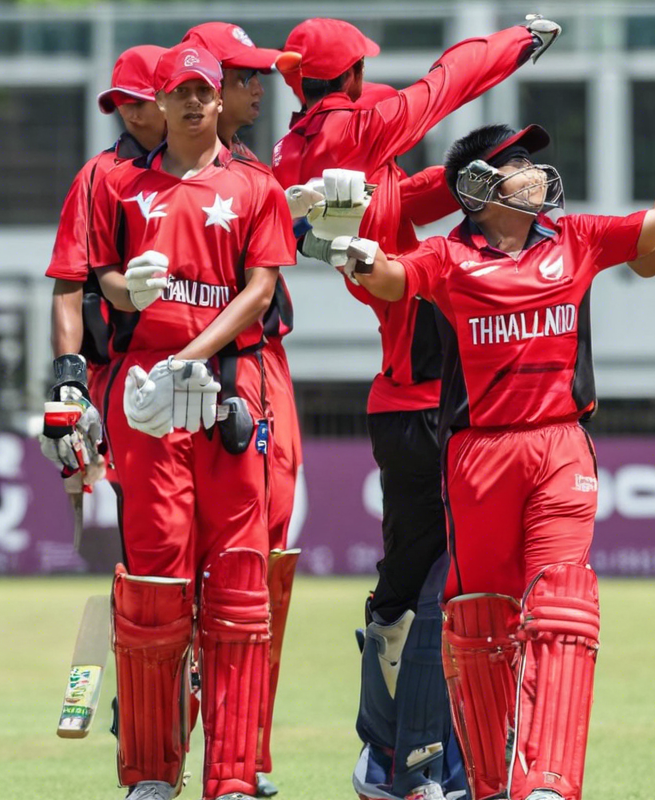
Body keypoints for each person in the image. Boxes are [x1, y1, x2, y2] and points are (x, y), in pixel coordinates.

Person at [328, 113, 655, 800]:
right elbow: (390, 277)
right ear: (479, 186)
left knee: (561, 608)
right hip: (479, 456)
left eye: (534, 161)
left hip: (562, 444)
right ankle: (491, 783)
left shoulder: (576, 238)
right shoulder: (450, 258)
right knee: (481, 623)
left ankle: (547, 783)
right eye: (519, 163)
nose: (537, 172)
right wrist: (353, 254)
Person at [271, 16, 559, 800]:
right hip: (436, 404)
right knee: (451, 583)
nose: (529, 175)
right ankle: (426, 758)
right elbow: (447, 81)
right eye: (510, 169)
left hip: (407, 401)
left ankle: (387, 755)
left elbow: (409, 196)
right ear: (355, 77)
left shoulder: (304, 151)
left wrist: (481, 180)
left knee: (407, 584)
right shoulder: (359, 129)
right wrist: (516, 42)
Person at [88, 44, 296, 800]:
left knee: (239, 584)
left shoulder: (255, 185)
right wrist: (126, 293)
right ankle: (149, 772)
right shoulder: (118, 184)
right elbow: (98, 278)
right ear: (162, 101)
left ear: (217, 101)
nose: (190, 105)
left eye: (202, 93)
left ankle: (234, 776)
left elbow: (261, 289)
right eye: (177, 93)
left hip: (226, 392)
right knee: (153, 585)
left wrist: (192, 356)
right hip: (146, 403)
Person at [180, 23, 304, 797]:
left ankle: (242, 750)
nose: (263, 89)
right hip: (171, 387)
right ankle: (163, 738)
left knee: (265, 555)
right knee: (180, 568)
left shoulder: (255, 169)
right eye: (249, 77)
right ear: (206, 84)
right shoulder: (132, 176)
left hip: (259, 369)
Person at [39, 44, 167, 505]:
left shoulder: (219, 169)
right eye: (121, 102)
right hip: (127, 371)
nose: (128, 113)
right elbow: (69, 283)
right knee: (149, 531)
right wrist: (69, 382)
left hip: (214, 369)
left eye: (139, 99)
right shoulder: (97, 176)